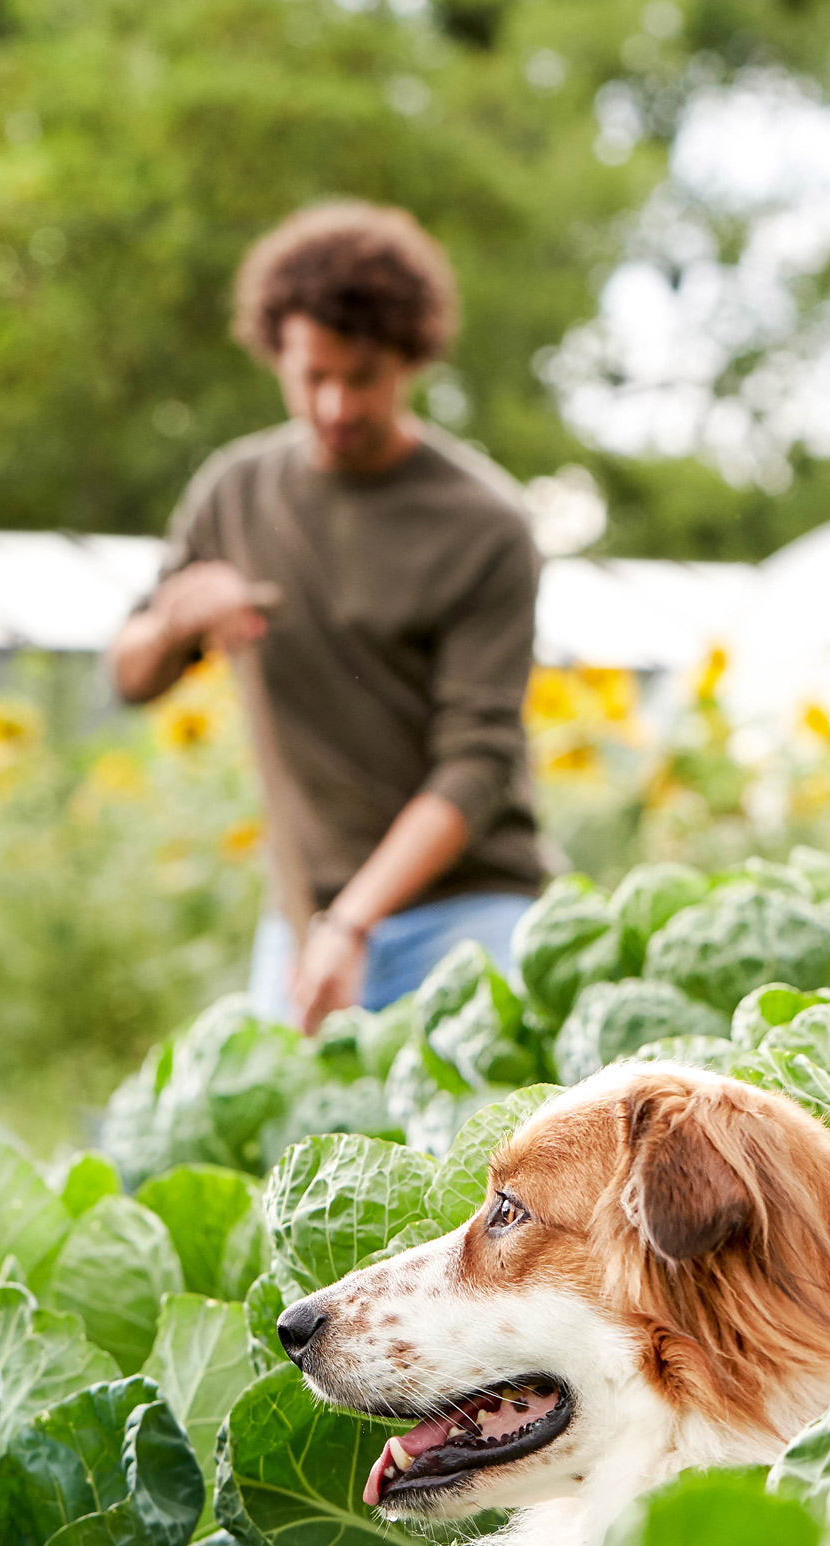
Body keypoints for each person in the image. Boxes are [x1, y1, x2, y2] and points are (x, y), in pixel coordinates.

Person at [108, 201, 547, 1032]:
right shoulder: (235, 493)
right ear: (277, 354)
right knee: (291, 1154)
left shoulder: (484, 525)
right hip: (304, 922)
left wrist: (355, 921)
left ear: (410, 360)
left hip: (468, 912)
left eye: (363, 377)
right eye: (314, 377)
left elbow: (477, 761)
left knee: (486, 1153)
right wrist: (173, 624)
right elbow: (127, 674)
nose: (338, 404)